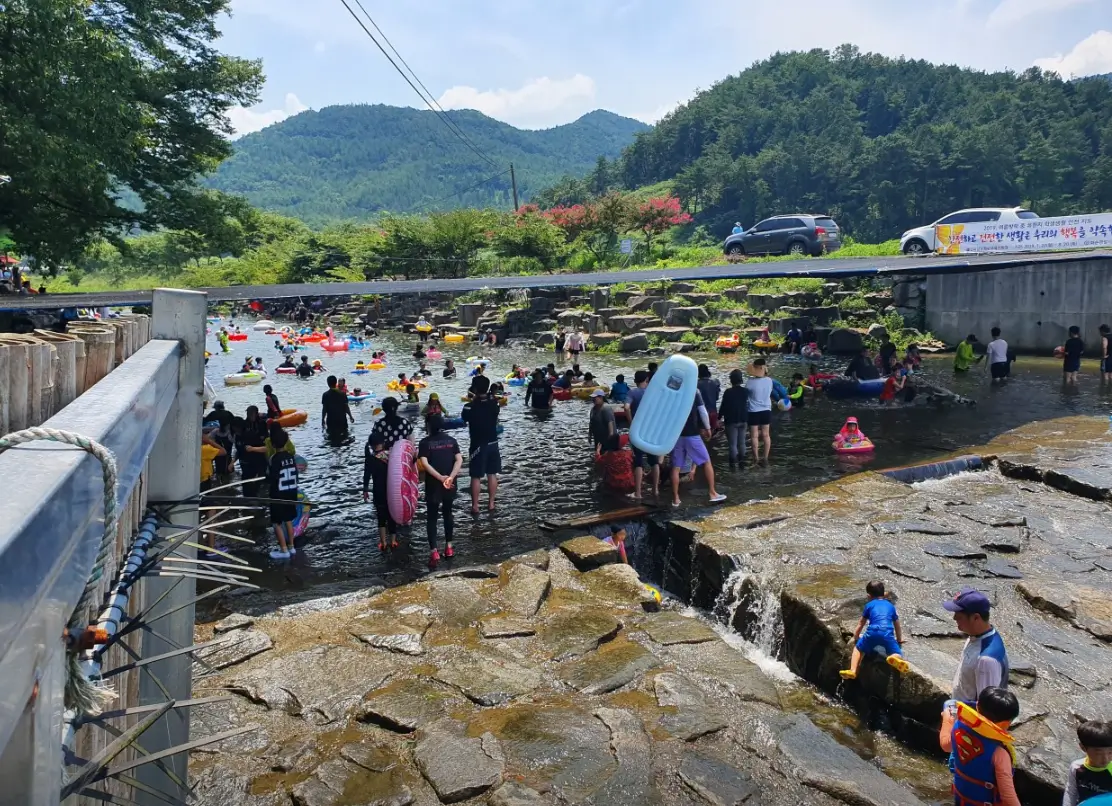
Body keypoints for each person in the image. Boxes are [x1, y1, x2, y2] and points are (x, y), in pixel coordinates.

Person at [939, 687, 1021, 806]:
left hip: (961, 800)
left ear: (977, 706)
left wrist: (947, 720)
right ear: (1006, 723)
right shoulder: (1000, 754)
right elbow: (1008, 798)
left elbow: (945, 746)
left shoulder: (958, 727)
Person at [943, 588, 1009, 706]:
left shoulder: (986, 660)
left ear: (976, 618)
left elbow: (987, 708)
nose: (954, 618)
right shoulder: (976, 636)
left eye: (959, 615)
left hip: (966, 716)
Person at [363, 397, 413, 550]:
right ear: (396, 408)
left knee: (382, 505)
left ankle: (383, 539)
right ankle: (405, 519)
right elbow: (411, 443)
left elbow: (372, 441)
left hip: (382, 467)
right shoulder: (405, 423)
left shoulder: (379, 425)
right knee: (402, 490)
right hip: (400, 463)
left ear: (383, 409)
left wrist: (365, 488)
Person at [839, 580, 909, 680]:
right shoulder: (890, 606)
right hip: (887, 633)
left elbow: (861, 623)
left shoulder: (869, 605)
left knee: (858, 649)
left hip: (872, 633)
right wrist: (899, 639)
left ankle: (853, 670)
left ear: (869, 596)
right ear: (883, 594)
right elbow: (897, 625)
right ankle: (894, 658)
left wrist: (856, 636)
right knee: (897, 652)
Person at [418, 415, 463, 566]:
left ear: (428, 426)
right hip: (450, 483)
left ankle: (434, 552)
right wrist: (450, 477)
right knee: (448, 513)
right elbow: (459, 460)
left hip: (433, 484)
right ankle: (449, 548)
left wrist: (440, 478)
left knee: (432, 517)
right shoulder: (452, 441)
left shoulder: (425, 443)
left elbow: (425, 464)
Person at [669, 390, 725, 508]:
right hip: (692, 434)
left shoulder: (674, 391)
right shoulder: (694, 391)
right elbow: (702, 411)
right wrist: (708, 428)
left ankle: (675, 499)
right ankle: (713, 493)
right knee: (707, 462)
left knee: (676, 468)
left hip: (676, 435)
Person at [461, 376, 501, 514]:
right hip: (493, 442)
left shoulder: (469, 407)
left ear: (475, 388)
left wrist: (474, 400)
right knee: (492, 474)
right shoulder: (495, 404)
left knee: (476, 476)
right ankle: (491, 504)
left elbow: (465, 418)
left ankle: (475, 506)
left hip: (477, 444)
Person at [625, 370, 660, 500]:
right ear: (647, 380)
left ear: (635, 381)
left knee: (638, 461)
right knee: (654, 461)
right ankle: (655, 490)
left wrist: (631, 423)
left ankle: (638, 493)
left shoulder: (632, 393)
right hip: (651, 430)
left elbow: (626, 407)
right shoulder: (653, 393)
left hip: (638, 430)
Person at [266, 426, 300, 560]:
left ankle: (283, 549)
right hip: (291, 492)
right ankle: (291, 547)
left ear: (273, 444)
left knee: (277, 523)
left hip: (278, 495)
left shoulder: (274, 459)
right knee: (288, 520)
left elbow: (272, 477)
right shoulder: (291, 457)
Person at [1063, 720, 1112, 806]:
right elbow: (1071, 793)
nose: (1105, 758)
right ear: (1083, 748)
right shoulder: (1076, 767)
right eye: (1098, 753)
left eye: (1110, 752)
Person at [237, 406, 270, 499]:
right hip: (247, 455)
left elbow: (266, 438)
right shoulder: (244, 424)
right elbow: (240, 439)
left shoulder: (262, 424)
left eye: (251, 414)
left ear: (256, 414)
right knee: (247, 477)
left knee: (261, 475)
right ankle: (248, 495)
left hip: (259, 453)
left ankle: (258, 492)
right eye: (248, 414)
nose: (250, 416)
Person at [746, 360, 773, 461]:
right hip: (766, 410)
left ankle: (756, 459)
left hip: (753, 411)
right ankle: (765, 458)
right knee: (766, 435)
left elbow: (746, 395)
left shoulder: (750, 382)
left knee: (754, 436)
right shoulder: (769, 381)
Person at [720, 369, 748, 469]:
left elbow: (723, 406)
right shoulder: (745, 391)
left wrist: (719, 418)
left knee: (732, 444)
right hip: (743, 419)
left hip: (731, 421)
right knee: (742, 443)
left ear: (731, 379)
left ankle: (732, 467)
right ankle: (742, 464)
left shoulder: (728, 392)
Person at [589, 389, 619, 456]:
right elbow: (591, 423)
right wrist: (590, 435)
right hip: (598, 437)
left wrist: (610, 437)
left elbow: (610, 423)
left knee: (607, 456)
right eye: (593, 398)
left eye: (596, 397)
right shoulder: (593, 409)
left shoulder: (606, 408)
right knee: (598, 454)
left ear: (601, 397)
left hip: (607, 439)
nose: (594, 399)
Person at [696, 364, 721, 430]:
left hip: (702, 414)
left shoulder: (696, 384)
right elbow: (717, 398)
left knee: (703, 433)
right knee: (711, 432)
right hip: (713, 412)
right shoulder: (715, 382)